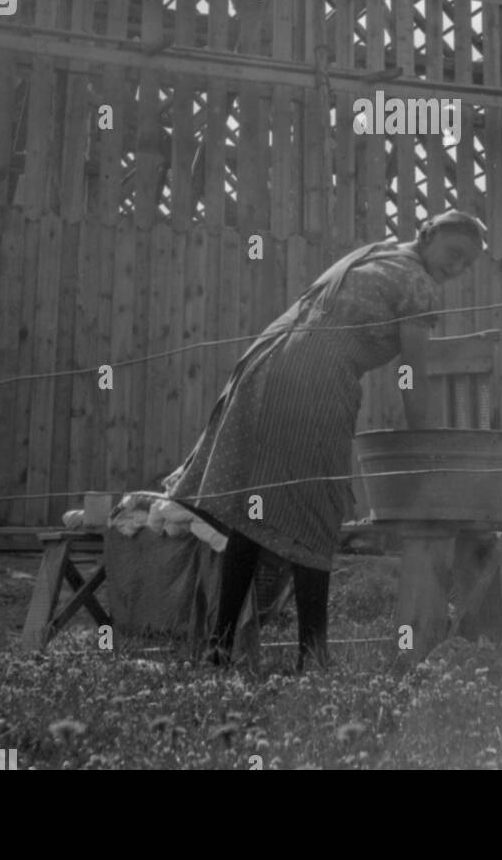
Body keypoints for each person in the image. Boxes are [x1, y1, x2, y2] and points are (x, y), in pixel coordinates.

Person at [162, 209, 485, 672]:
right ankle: (312, 657)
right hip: (315, 375)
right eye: (454, 253)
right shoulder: (419, 284)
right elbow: (410, 373)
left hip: (267, 358)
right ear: (428, 235)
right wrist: (425, 443)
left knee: (255, 510)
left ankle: (219, 648)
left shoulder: (377, 252)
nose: (458, 267)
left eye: (467, 263)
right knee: (318, 509)